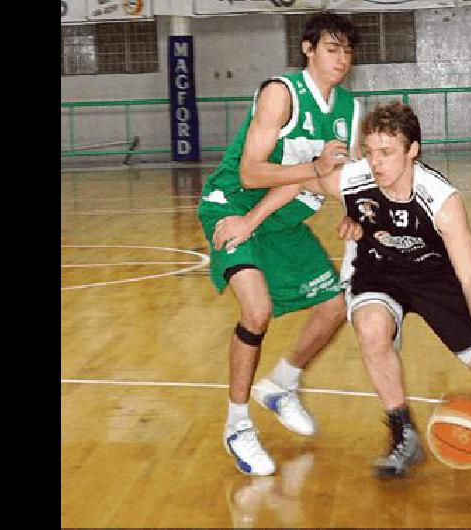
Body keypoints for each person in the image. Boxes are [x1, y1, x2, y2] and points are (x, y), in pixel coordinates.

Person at [220, 102, 471, 479]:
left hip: (440, 280)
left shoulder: (440, 198)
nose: (376, 162)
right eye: (370, 152)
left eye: (386, 152)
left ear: (412, 150)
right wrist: (249, 222)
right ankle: (403, 431)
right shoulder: (355, 177)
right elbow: (300, 181)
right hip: (378, 273)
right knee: (371, 329)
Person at [197, 12, 363, 477]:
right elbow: (252, 172)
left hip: (281, 216)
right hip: (231, 205)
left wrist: (353, 206)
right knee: (257, 311)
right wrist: (251, 216)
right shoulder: (280, 93)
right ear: (308, 49)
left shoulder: (347, 107)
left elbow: (329, 174)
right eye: (332, 48)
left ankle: (282, 384)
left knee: (335, 306)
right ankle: (237, 424)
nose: (342, 59)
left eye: (348, 50)